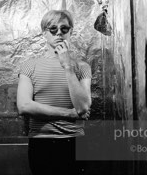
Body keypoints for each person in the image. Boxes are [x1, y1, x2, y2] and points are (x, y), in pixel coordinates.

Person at [17, 10, 92, 175]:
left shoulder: (82, 67)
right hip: (42, 143)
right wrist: (69, 114)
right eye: (53, 29)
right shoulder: (29, 66)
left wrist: (67, 66)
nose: (59, 33)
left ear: (71, 31)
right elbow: (24, 106)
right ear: (45, 33)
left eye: (64, 29)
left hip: (75, 142)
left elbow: (82, 108)